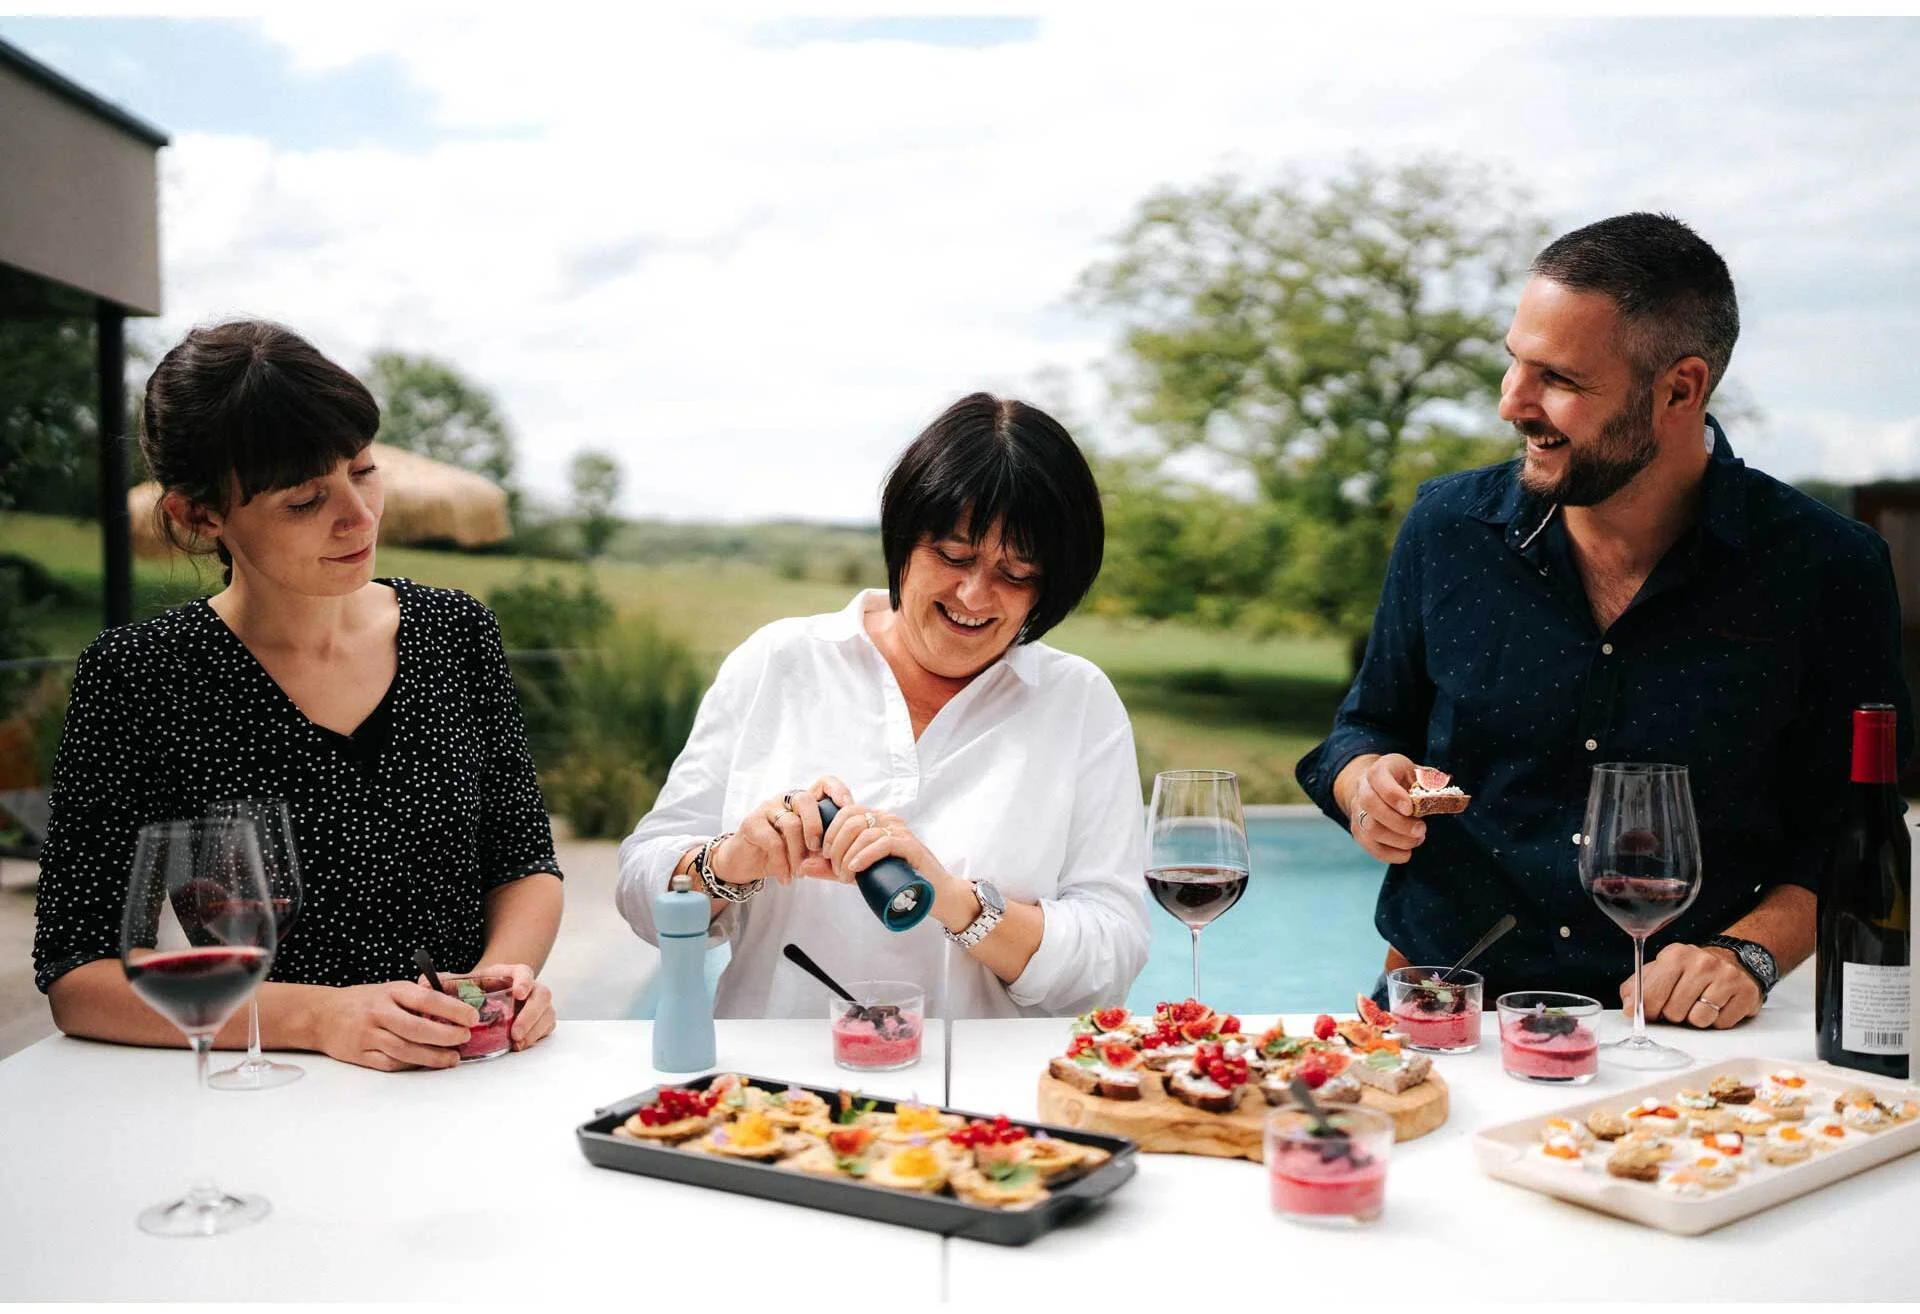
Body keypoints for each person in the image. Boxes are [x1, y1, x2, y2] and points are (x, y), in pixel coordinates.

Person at [1296, 213, 1912, 1027]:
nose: (1512, 403)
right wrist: (1364, 785)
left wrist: (1748, 955)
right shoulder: (1447, 529)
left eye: (1558, 378)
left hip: (1685, 1036)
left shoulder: (1828, 567)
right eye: (1514, 361)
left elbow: (1853, 831)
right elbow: (1363, 728)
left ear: (1679, 389)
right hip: (1447, 1014)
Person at [33, 320, 564, 1070]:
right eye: (306, 500)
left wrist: (500, 981)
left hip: (466, 1074)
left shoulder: (456, 632)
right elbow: (79, 977)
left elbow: (525, 863)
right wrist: (320, 1017)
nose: (359, 515)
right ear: (199, 514)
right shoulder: (140, 677)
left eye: (364, 470)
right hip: (266, 1086)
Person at [616, 392, 1149, 1018]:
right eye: (953, 556)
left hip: (985, 1081)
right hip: (771, 1075)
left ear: (1051, 586)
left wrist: (953, 900)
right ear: (903, 538)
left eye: (1016, 574)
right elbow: (640, 893)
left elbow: (1111, 960)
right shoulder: (780, 661)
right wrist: (730, 862)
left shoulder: (1078, 702)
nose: (974, 595)